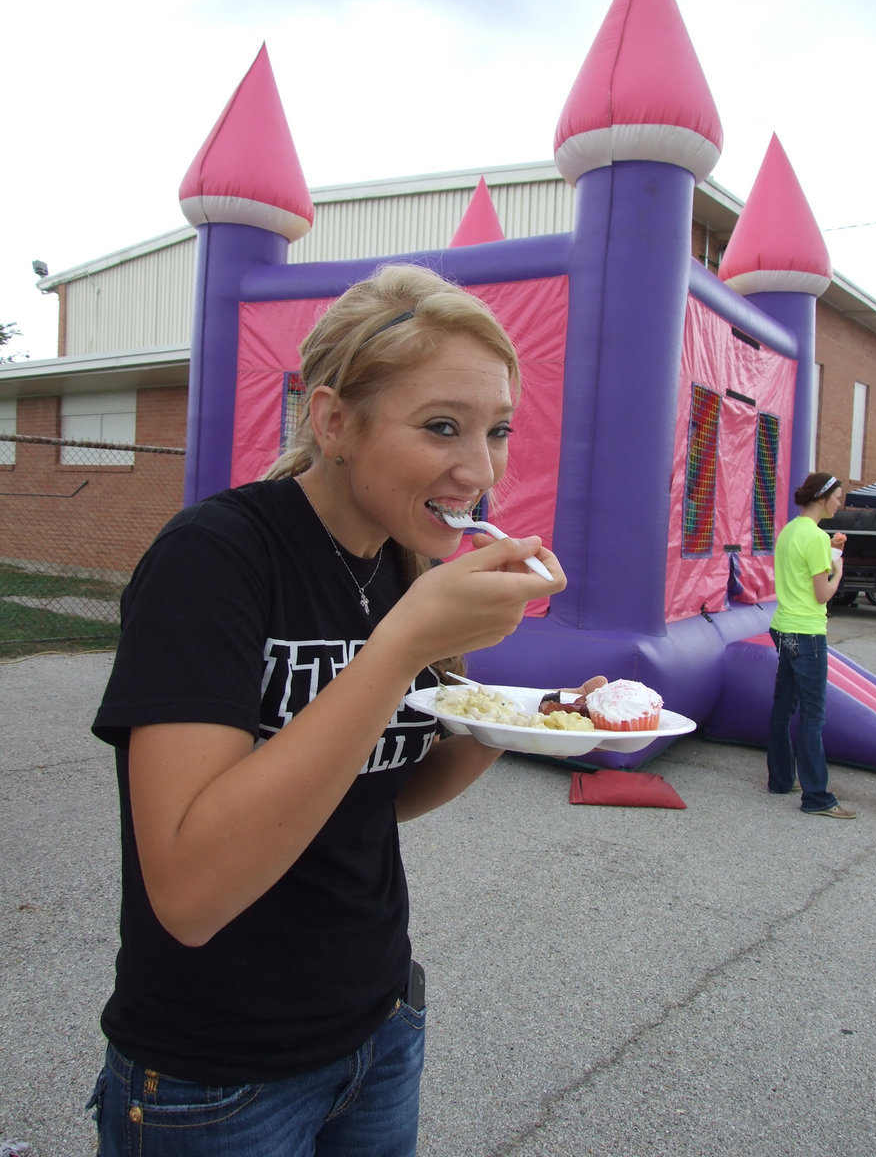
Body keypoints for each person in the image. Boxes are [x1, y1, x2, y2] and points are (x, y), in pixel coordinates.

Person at [86, 263, 578, 1156]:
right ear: (334, 420)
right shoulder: (215, 559)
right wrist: (398, 650)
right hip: (217, 1072)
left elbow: (367, 800)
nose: (480, 468)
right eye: (441, 427)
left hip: (381, 1027)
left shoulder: (407, 564)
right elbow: (191, 893)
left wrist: (507, 724)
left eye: (498, 429)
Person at [767, 471, 857, 819]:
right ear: (822, 497)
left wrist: (829, 552)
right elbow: (823, 593)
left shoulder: (790, 531)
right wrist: (838, 569)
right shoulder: (816, 538)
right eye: (837, 496)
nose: (839, 502)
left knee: (784, 705)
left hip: (784, 628)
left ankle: (780, 780)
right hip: (807, 633)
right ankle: (817, 797)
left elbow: (800, 576)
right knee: (813, 716)